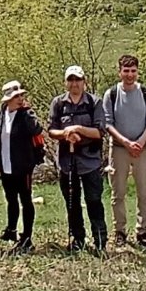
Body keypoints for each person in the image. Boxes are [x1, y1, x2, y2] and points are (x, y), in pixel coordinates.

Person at [48, 65, 108, 253]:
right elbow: (52, 130)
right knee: (72, 203)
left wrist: (78, 130)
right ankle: (77, 239)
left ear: (84, 82)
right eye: (71, 80)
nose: (74, 84)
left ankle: (100, 240)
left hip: (90, 160)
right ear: (66, 82)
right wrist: (65, 134)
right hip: (67, 162)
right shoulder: (58, 103)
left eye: (78, 80)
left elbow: (100, 131)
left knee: (94, 201)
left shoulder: (94, 102)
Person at [103, 54, 146, 250]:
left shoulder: (145, 92)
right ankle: (120, 231)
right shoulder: (111, 94)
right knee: (118, 193)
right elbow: (107, 122)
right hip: (118, 149)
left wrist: (141, 142)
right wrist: (126, 142)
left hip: (142, 149)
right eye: (126, 71)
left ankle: (142, 232)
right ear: (119, 72)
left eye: (133, 71)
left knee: (144, 192)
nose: (129, 75)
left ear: (137, 72)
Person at [0, 80, 44, 254]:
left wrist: (27, 113)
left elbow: (37, 130)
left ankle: (27, 238)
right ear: (7, 99)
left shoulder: (26, 115)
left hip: (23, 166)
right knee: (10, 199)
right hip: (5, 165)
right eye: (15, 96)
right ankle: (10, 231)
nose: (19, 99)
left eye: (21, 95)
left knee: (26, 200)